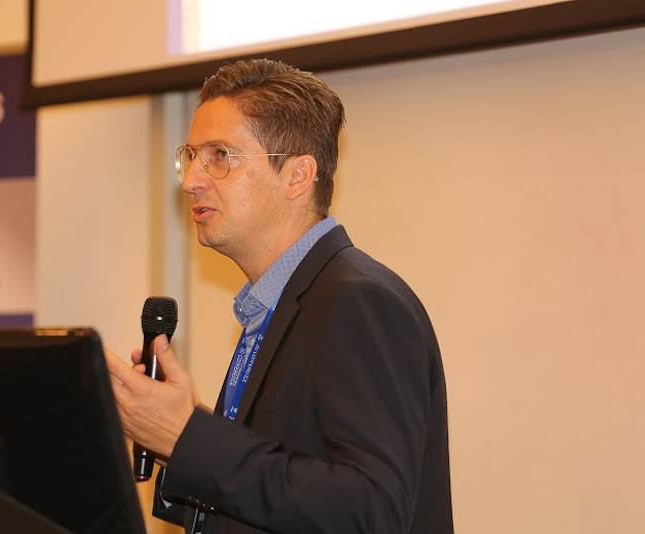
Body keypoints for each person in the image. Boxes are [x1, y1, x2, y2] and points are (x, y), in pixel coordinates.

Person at [105, 58, 453, 534]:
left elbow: (371, 511)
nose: (190, 181)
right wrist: (175, 441)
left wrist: (190, 438)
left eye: (220, 156)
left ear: (297, 176)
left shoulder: (358, 303)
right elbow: (276, 498)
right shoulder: (276, 306)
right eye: (191, 156)